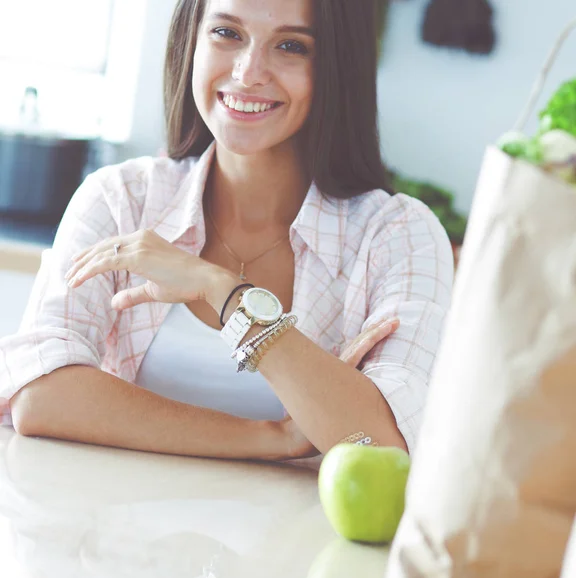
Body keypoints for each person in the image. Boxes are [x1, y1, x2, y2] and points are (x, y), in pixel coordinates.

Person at [0, 0, 453, 461]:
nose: (249, 71)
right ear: (191, 42)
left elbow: (384, 445)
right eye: (227, 34)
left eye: (292, 46)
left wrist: (225, 293)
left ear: (338, 66)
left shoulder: (399, 236)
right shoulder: (121, 200)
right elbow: (38, 394)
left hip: (292, 536)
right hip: (114, 526)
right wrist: (273, 437)